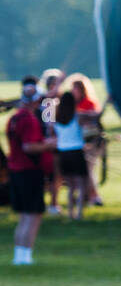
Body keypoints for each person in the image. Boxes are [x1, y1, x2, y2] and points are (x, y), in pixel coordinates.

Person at [6, 79, 57, 265]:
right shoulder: (29, 120)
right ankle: (25, 257)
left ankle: (19, 255)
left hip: (17, 171)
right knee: (32, 215)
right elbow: (29, 146)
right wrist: (48, 145)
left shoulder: (14, 118)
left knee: (24, 217)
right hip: (29, 171)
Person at [66, 74, 105, 206]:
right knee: (81, 172)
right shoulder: (70, 105)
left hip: (90, 142)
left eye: (75, 89)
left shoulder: (89, 103)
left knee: (87, 170)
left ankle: (93, 196)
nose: (73, 92)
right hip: (76, 143)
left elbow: (94, 118)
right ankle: (88, 197)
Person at [53, 92, 89, 220]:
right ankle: (79, 213)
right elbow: (97, 116)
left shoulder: (56, 119)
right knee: (81, 184)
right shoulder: (77, 116)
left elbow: (51, 132)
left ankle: (70, 213)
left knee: (70, 187)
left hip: (63, 153)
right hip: (76, 152)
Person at [40, 70, 63, 213]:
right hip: (51, 142)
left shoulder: (49, 101)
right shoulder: (49, 102)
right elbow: (49, 124)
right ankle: (53, 204)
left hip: (50, 141)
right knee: (55, 173)